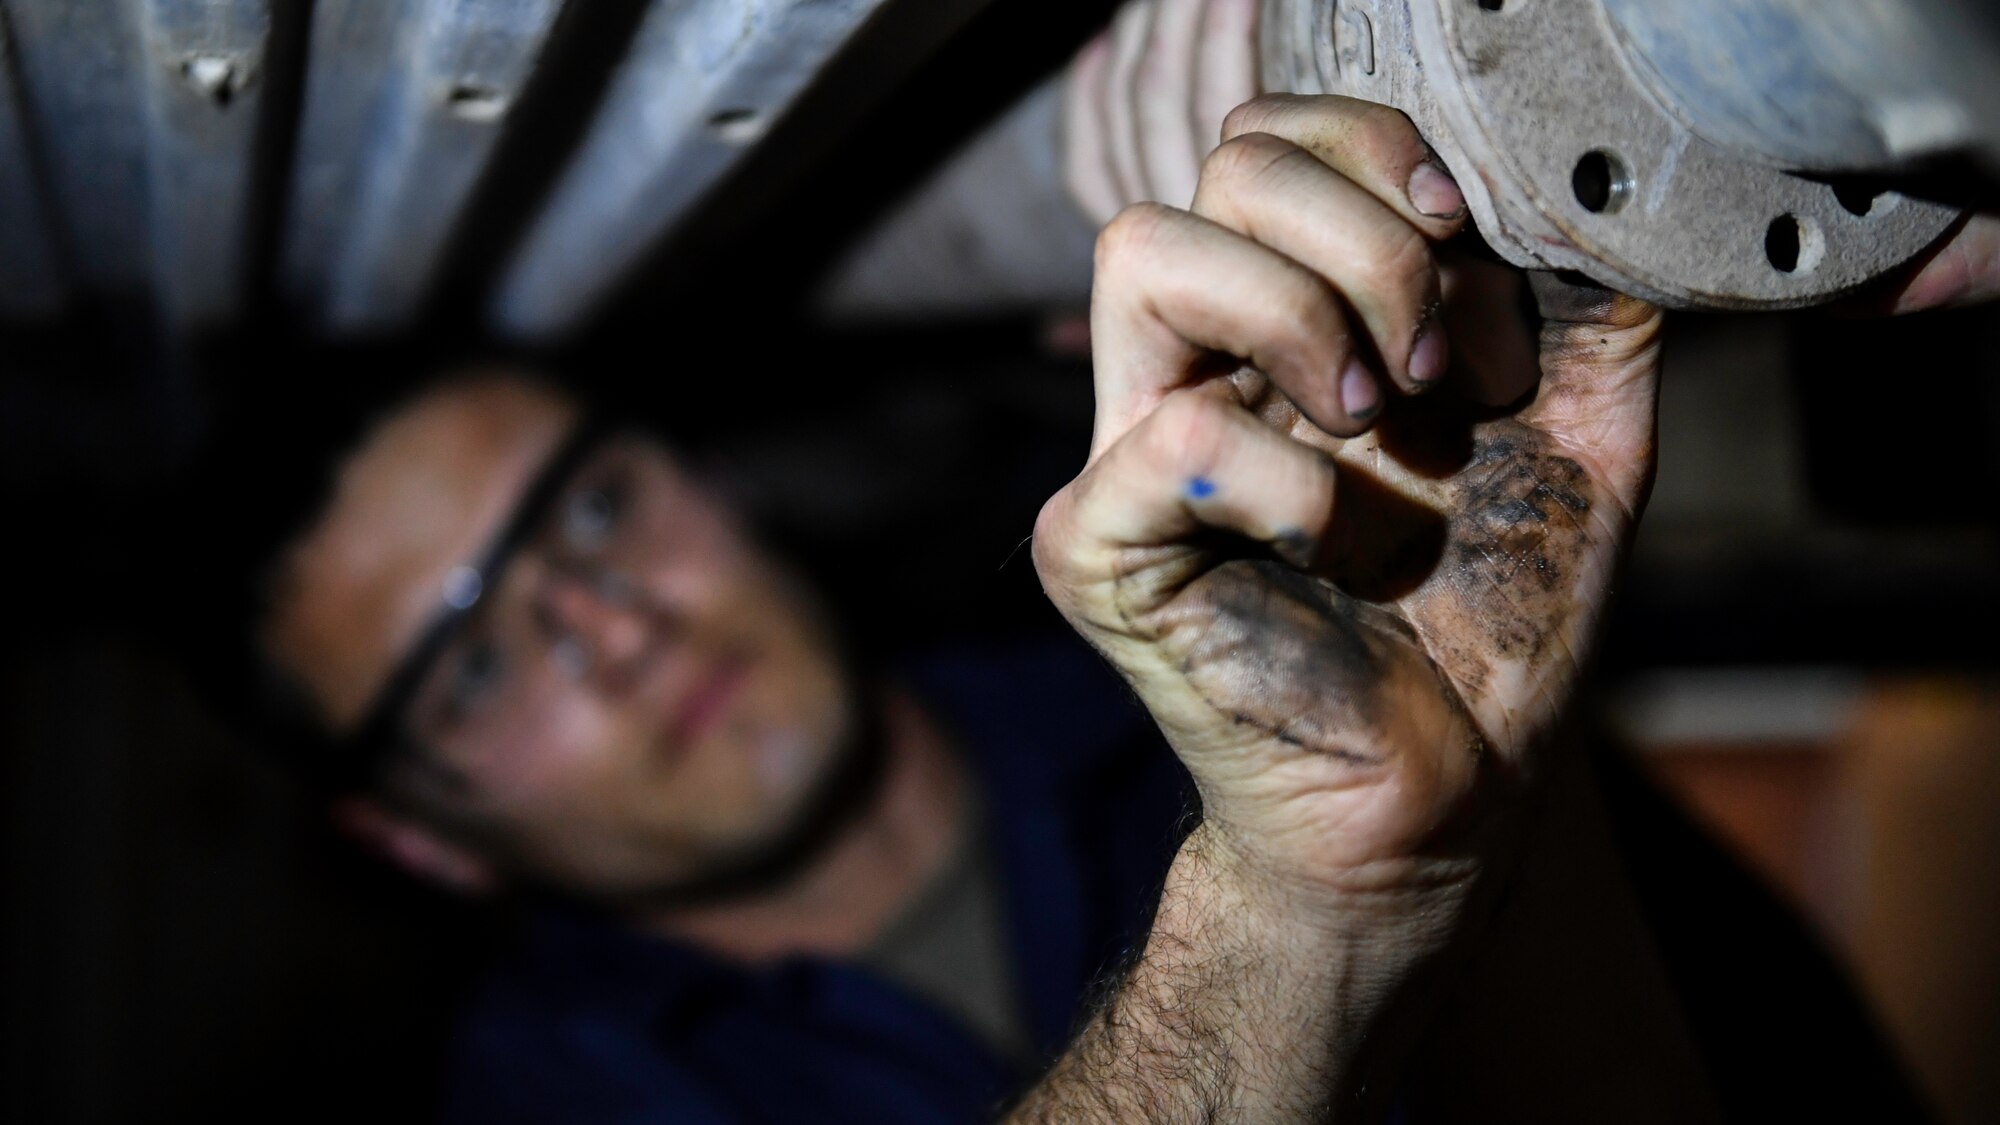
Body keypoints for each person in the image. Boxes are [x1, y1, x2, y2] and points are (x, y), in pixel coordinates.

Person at [190, 1, 1969, 1119]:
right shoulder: (550, 1094)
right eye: (477, 660)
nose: (614, 621)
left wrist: (1501, 791)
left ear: (691, 476)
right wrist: (1300, 913)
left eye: (587, 509)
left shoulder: (1231, 638)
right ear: (409, 826)